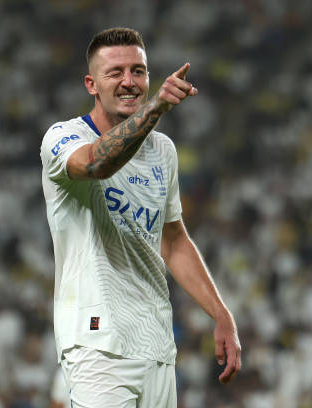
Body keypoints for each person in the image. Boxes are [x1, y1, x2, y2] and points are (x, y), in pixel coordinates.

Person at [40, 27, 241, 407]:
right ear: (91, 84)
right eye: (115, 72)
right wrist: (156, 109)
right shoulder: (63, 137)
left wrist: (221, 314)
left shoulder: (162, 150)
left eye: (138, 71)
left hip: (156, 345)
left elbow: (174, 241)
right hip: (97, 342)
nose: (129, 82)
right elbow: (96, 163)